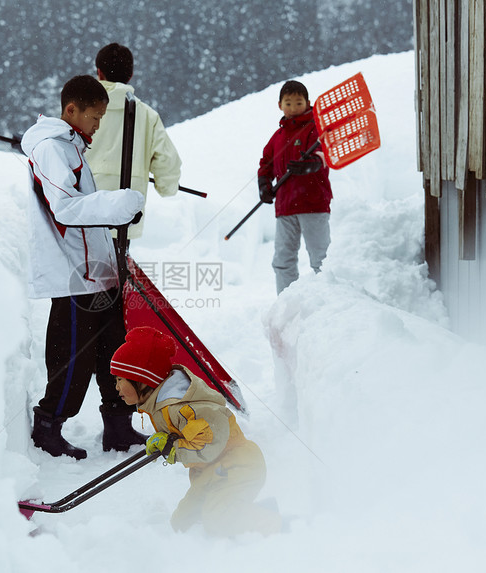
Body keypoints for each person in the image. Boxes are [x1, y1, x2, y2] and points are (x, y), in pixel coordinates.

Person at [20, 75, 149, 460]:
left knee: (115, 348)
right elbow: (66, 208)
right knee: (72, 357)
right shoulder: (51, 150)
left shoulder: (72, 147)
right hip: (75, 276)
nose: (97, 125)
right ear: (71, 109)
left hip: (98, 272)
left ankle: (118, 424)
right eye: (94, 117)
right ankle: (49, 425)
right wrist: (118, 205)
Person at [111, 326, 281, 536]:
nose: (116, 387)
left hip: (238, 467)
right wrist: (165, 439)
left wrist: (174, 450)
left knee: (218, 521)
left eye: (120, 379)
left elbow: (209, 446)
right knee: (183, 523)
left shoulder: (183, 407)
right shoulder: (160, 402)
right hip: (211, 473)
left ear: (142, 379)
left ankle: (274, 522)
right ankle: (239, 512)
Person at [85, 43, 182, 240]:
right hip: (125, 219)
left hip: (82, 213)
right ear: (130, 76)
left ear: (99, 72)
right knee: (116, 267)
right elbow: (168, 162)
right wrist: (167, 187)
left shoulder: (79, 110)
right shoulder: (147, 116)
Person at [257, 80, 333, 294]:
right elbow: (266, 163)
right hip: (285, 207)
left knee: (321, 258)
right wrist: (264, 185)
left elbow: (325, 155)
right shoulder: (278, 136)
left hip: (313, 204)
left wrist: (309, 167)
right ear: (279, 105)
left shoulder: (316, 129)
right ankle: (286, 302)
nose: (293, 108)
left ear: (308, 103)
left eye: (298, 103)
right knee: (283, 260)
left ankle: (329, 301)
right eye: (288, 103)